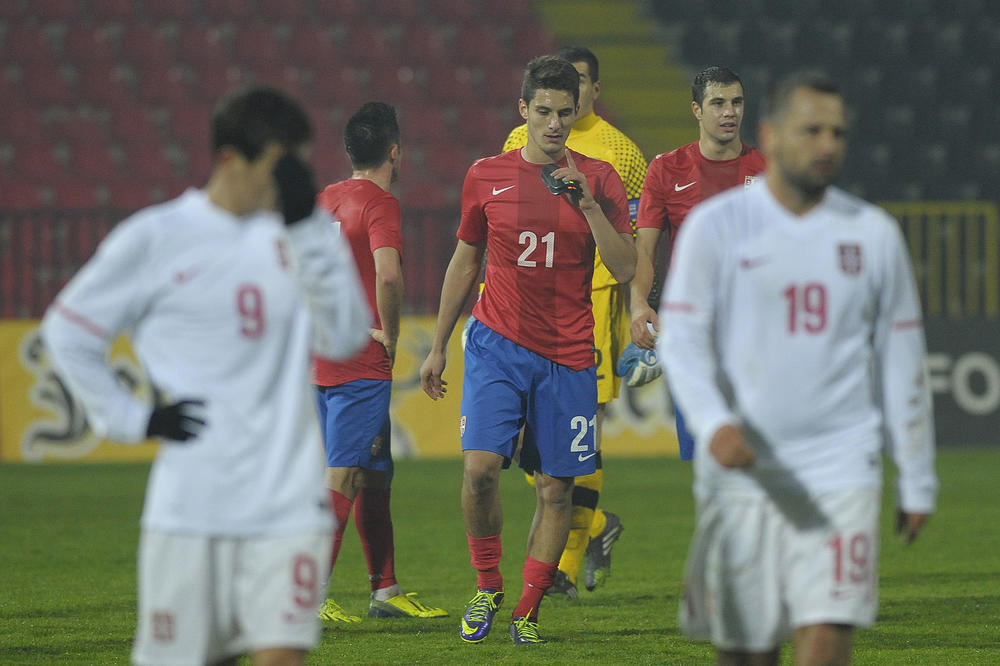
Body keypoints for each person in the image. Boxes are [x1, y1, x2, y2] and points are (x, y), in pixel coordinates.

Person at [41, 86, 373, 666]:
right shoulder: (158, 237)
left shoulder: (305, 233)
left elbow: (344, 336)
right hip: (193, 506)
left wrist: (305, 233)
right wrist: (130, 418)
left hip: (288, 501)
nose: (290, 180)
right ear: (230, 160)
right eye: (280, 165)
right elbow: (68, 332)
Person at [658, 71, 938, 665]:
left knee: (827, 636)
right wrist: (714, 424)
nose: (827, 144)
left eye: (837, 131)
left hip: (841, 467)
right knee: (748, 651)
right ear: (773, 135)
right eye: (811, 130)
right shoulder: (717, 227)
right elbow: (681, 340)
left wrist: (916, 475)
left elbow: (902, 358)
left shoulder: (873, 233)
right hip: (744, 472)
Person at [419, 55, 635, 645]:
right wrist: (438, 345)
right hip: (497, 343)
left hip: (568, 353)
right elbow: (465, 259)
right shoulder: (486, 175)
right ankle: (488, 584)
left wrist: (588, 204)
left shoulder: (601, 179)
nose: (555, 124)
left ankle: (526, 610)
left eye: (566, 113)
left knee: (556, 487)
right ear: (524, 110)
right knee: (480, 469)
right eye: (544, 111)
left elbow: (626, 266)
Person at [500, 45, 647, 598]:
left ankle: (565, 561)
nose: (570, 96)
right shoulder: (520, 140)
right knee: (519, 445)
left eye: (581, 83)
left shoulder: (620, 154)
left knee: (583, 435)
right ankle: (598, 523)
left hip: (594, 302)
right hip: (524, 308)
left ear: (594, 89)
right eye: (560, 88)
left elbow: (634, 240)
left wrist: (638, 307)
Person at [312, 101, 447, 623]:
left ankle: (385, 592)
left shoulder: (324, 200)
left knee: (373, 471)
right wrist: (390, 334)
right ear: (395, 151)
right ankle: (307, 598)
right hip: (360, 358)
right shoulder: (380, 202)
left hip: (321, 351)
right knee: (342, 476)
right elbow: (388, 275)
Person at [630, 66, 767, 461]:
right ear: (696, 110)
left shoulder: (767, 171)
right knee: (704, 458)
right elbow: (645, 249)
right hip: (690, 331)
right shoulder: (666, 169)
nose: (730, 112)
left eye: (737, 102)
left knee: (753, 457)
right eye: (718, 103)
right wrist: (639, 303)